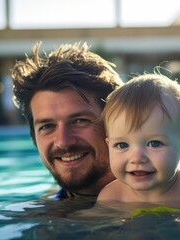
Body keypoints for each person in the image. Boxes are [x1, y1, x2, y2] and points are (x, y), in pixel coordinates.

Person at [11, 42, 123, 199]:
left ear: (119, 124)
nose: (63, 142)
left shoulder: (163, 199)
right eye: (47, 126)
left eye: (79, 121)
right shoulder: (45, 212)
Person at [97, 73, 180, 208]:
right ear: (108, 146)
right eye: (122, 145)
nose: (137, 158)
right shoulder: (111, 197)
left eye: (154, 143)